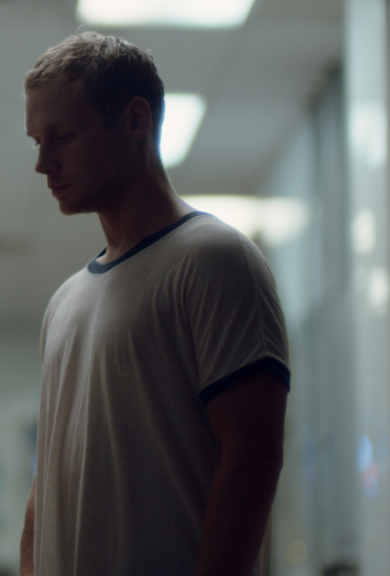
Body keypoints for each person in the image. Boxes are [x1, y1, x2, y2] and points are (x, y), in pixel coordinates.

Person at [19, 32, 290, 576]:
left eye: (63, 136)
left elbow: (251, 460)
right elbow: (46, 483)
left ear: (135, 120)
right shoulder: (65, 301)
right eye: (36, 142)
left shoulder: (215, 259)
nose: (43, 163)